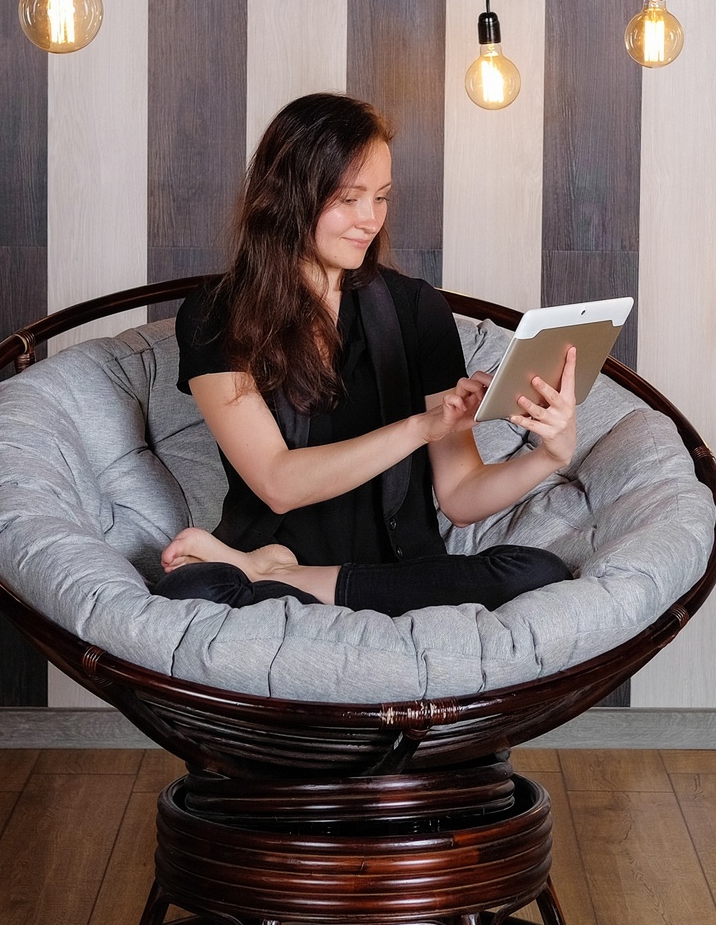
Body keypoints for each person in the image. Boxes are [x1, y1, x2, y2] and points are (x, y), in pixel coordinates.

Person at [157, 93, 576, 616]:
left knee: (540, 573)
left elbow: (461, 495)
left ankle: (285, 577)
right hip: (276, 547)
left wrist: (551, 454)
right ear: (288, 197)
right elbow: (277, 483)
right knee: (193, 592)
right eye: (348, 198)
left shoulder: (416, 309)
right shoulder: (214, 314)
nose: (370, 219)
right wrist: (420, 427)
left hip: (396, 569)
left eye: (381, 197)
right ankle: (270, 570)